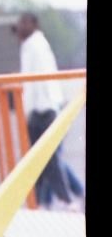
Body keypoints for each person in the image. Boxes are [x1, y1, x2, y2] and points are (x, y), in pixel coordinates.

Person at [15, 12, 84, 209]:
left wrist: (34, 109)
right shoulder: (31, 45)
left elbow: (38, 82)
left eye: (24, 23)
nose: (20, 27)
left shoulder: (34, 46)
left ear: (34, 24)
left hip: (43, 109)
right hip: (43, 107)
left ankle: (66, 199)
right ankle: (48, 200)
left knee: (46, 158)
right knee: (46, 158)